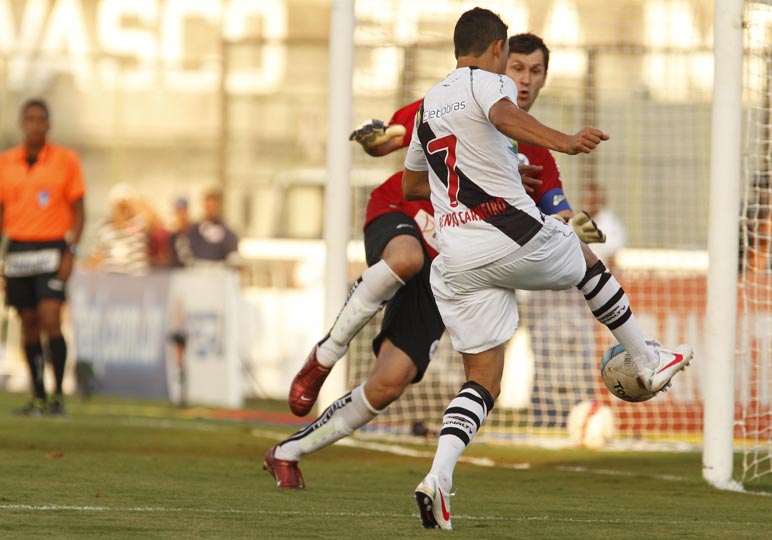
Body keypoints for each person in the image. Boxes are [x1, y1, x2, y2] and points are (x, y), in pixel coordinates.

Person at [401, 8, 692, 530]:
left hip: (457, 258)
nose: (518, 76)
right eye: (513, 62)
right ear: (498, 50)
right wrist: (566, 140)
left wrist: (490, 174)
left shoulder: (428, 105)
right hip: (505, 233)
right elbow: (505, 117)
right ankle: (647, 358)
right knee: (584, 258)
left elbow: (412, 186)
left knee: (483, 380)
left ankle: (438, 477)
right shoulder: (488, 84)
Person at [0, 99, 85, 415]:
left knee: (51, 317)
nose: (36, 125)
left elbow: (79, 210)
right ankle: (38, 397)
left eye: (41, 120)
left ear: (48, 125)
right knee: (29, 322)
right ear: (22, 124)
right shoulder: (5, 162)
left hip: (52, 247)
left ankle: (58, 395)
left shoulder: (66, 160)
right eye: (30, 119)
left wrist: (71, 250)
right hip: (18, 249)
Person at [89, 183, 150, 275]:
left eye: (125, 206)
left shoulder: (140, 223)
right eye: (119, 206)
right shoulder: (103, 228)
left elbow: (156, 221)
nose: (123, 210)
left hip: (137, 278)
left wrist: (137, 201)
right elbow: (95, 259)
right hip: (110, 278)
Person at [187, 189, 239, 264]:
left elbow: (232, 251)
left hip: (218, 267)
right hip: (198, 267)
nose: (210, 210)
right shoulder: (195, 229)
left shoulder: (226, 231)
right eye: (208, 206)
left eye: (213, 206)